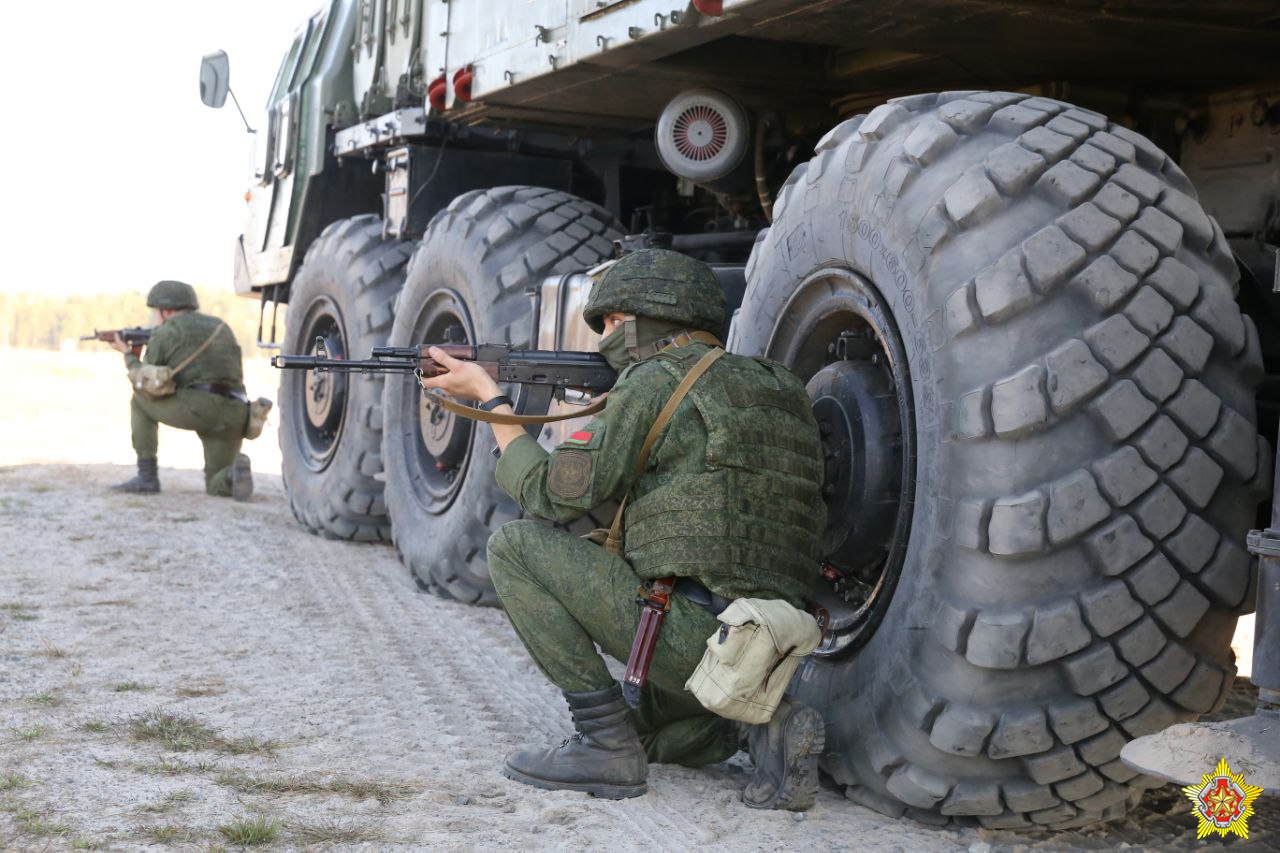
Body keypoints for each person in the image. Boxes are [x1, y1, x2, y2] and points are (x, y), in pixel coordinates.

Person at [420, 249, 828, 809]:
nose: (604, 336)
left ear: (650, 319)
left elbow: (550, 495)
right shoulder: (779, 387)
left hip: (698, 641)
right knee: (651, 727)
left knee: (514, 547)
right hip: (773, 646)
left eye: (612, 323)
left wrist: (491, 400)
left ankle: (604, 745)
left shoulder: (654, 381)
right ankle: (760, 726)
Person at [109, 280, 271, 501]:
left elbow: (147, 382)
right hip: (237, 412)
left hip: (200, 408)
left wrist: (127, 354)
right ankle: (233, 474)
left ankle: (147, 477)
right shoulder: (221, 326)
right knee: (216, 483)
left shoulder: (168, 331)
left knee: (139, 400)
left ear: (165, 311)